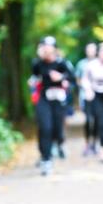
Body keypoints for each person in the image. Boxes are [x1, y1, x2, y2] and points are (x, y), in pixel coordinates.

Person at [31, 36, 72, 175]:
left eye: (50, 48)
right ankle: (46, 159)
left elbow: (72, 78)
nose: (47, 51)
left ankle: (59, 144)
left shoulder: (62, 63)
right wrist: (32, 82)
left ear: (55, 49)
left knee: (56, 128)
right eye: (44, 48)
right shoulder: (38, 63)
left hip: (58, 100)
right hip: (44, 99)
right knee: (45, 127)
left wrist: (61, 78)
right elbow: (34, 76)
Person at [76, 43, 98, 156]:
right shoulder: (81, 64)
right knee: (88, 120)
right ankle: (87, 144)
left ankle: (94, 144)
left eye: (93, 50)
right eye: (89, 49)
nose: (91, 52)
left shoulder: (100, 63)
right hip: (85, 96)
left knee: (97, 121)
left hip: (98, 97)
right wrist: (86, 87)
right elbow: (77, 79)